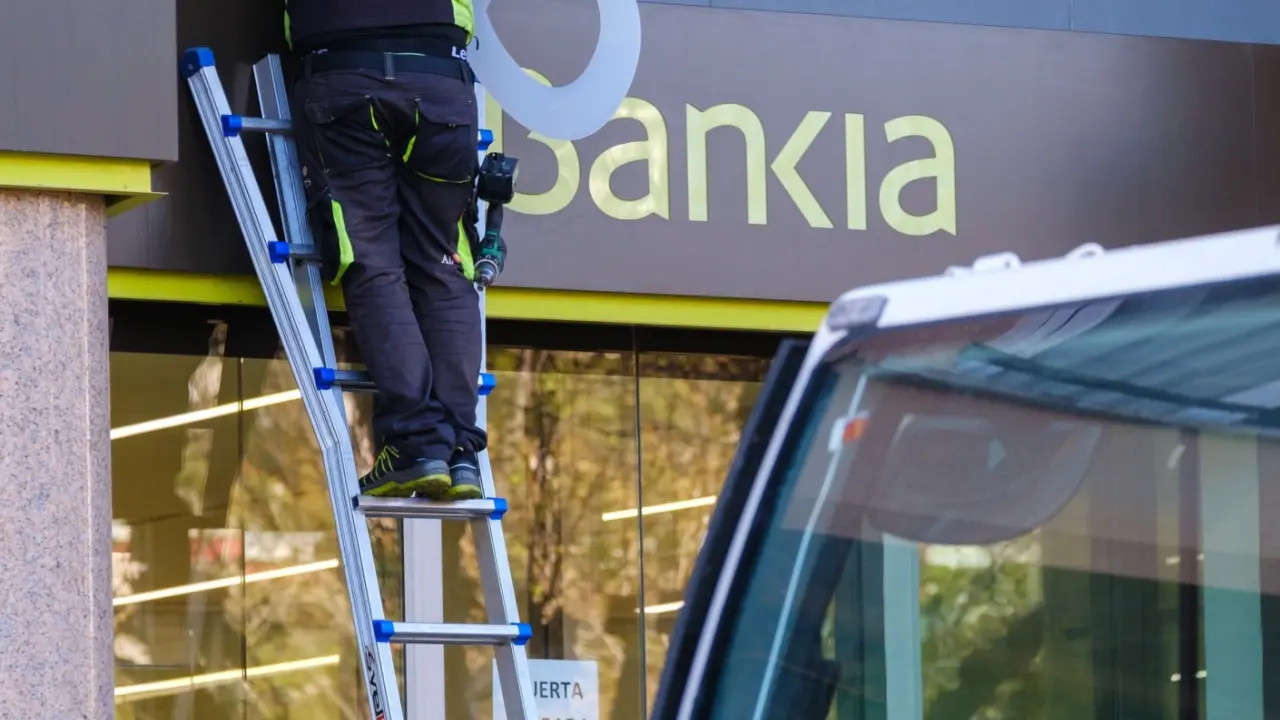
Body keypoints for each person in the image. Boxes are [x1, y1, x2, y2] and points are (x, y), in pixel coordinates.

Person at [283, 0, 487, 501]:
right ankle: (458, 452)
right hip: (439, 76)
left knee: (371, 262)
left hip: (343, 71)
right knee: (445, 264)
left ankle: (418, 443)